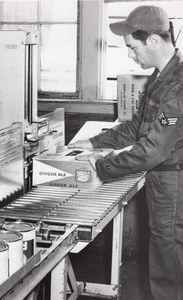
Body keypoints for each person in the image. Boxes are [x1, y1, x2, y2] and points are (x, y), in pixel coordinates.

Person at [69, 5, 183, 300]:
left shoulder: (177, 85)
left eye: (133, 47)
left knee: (167, 263)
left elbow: (151, 151)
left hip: (174, 185)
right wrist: (93, 143)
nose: (131, 56)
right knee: (166, 256)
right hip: (164, 182)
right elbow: (137, 128)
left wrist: (100, 168)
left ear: (154, 41)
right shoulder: (161, 78)